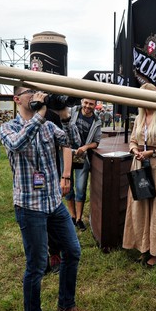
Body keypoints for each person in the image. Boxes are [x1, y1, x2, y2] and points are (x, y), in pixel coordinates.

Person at [0, 86, 88, 311]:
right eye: (30, 92)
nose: (37, 95)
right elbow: (17, 144)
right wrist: (40, 114)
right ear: (17, 99)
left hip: (53, 203)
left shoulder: (49, 125)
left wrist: (66, 116)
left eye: (39, 91)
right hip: (29, 206)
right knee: (37, 264)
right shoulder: (8, 127)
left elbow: (73, 143)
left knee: (73, 251)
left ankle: (66, 304)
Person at [123, 83, 156, 267]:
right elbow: (132, 140)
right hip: (139, 164)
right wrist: (134, 149)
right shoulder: (138, 118)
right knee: (140, 206)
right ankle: (143, 246)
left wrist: (152, 153)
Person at [66, 98, 102, 231]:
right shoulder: (72, 111)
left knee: (80, 188)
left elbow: (96, 142)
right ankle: (72, 215)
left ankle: (79, 218)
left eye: (91, 104)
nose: (87, 106)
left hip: (82, 156)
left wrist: (86, 147)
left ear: (95, 105)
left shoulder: (97, 121)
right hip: (67, 153)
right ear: (81, 102)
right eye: (85, 103)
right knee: (68, 186)